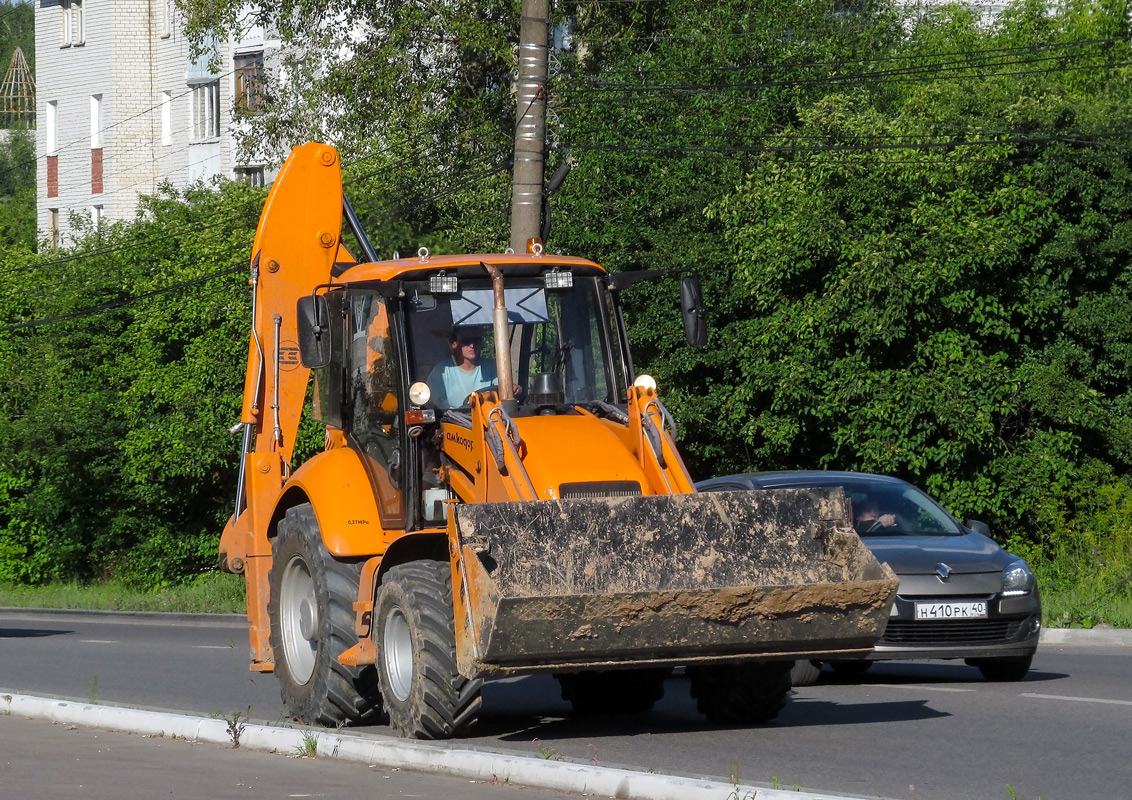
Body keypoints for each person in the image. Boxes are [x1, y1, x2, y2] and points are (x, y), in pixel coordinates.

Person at [425, 326, 499, 410]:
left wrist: (511, 389)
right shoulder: (441, 371)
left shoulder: (492, 366)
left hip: (487, 417)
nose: (472, 345)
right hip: (453, 419)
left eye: (477, 340)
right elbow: (432, 402)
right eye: (466, 341)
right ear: (454, 344)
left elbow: (501, 391)